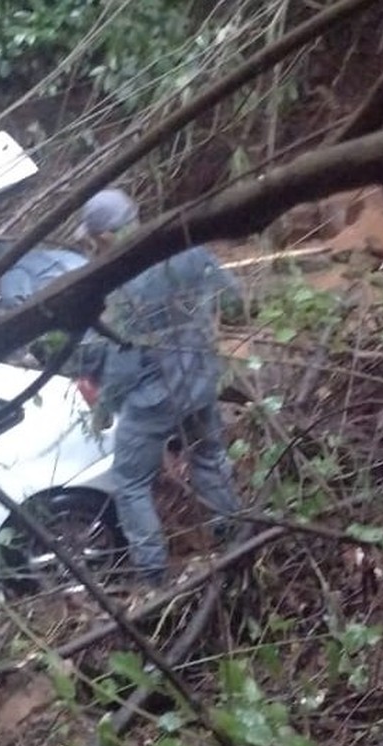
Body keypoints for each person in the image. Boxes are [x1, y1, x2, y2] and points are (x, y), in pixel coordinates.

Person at [74, 188, 242, 585]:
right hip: (200, 379)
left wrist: (104, 409)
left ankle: (153, 574)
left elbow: (118, 361)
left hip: (152, 399)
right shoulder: (185, 249)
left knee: (131, 483)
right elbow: (233, 299)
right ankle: (233, 538)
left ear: (105, 236)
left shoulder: (116, 282)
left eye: (94, 239)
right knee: (208, 456)